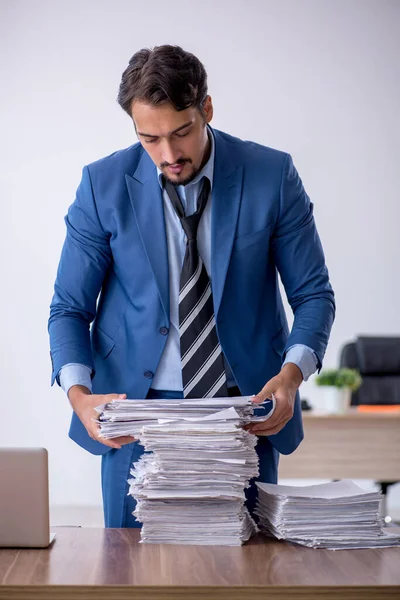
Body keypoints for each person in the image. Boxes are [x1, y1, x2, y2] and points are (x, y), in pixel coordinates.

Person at [48, 45, 335, 528]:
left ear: (206, 108)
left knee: (245, 571)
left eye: (180, 133)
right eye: (149, 138)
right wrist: (79, 395)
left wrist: (290, 378)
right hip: (135, 413)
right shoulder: (102, 185)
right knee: (129, 573)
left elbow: (312, 295)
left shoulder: (272, 176)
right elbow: (69, 308)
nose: (168, 154)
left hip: (244, 409)